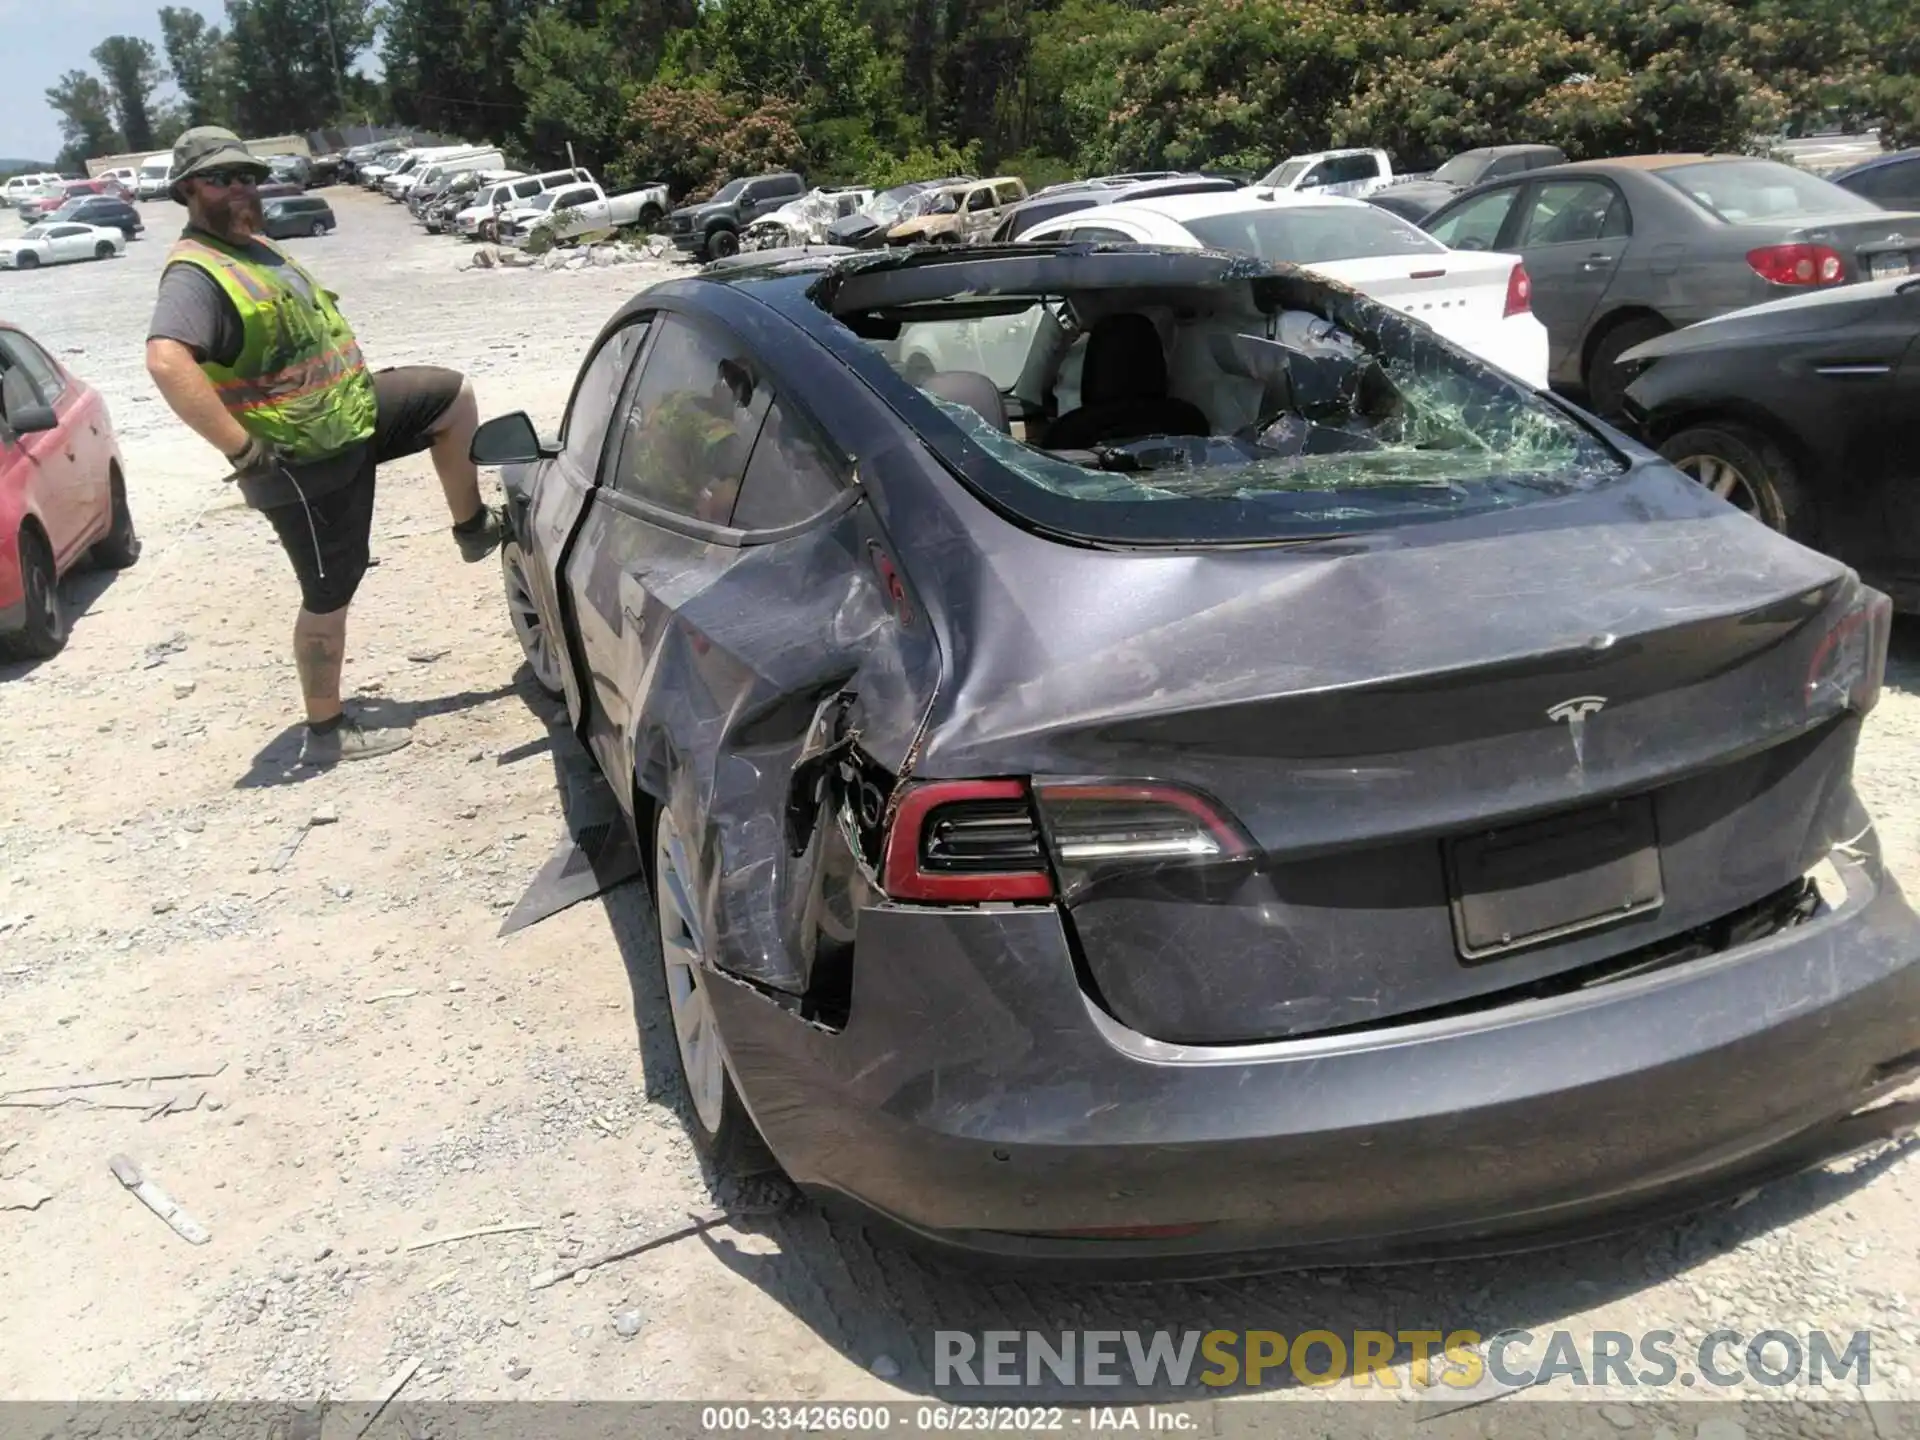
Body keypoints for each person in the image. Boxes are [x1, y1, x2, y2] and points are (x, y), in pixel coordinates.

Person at [144, 127, 506, 767]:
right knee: (329, 589)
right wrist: (240, 449)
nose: (240, 188)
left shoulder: (253, 247)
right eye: (222, 178)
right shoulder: (194, 274)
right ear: (187, 190)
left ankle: (471, 526)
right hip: (298, 464)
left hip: (350, 421)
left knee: (450, 397)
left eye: (247, 176)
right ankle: (326, 727)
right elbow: (167, 362)